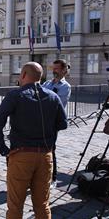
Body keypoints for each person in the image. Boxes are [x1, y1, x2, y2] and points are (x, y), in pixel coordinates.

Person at [0, 62, 67, 219]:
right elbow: (62, 124)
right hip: (45, 156)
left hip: (21, 155)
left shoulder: (15, 95)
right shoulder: (53, 96)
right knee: (42, 204)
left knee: (15, 205)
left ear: (23, 75)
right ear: (41, 77)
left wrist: (3, 149)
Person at [42, 59, 71, 188]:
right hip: (40, 119)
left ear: (64, 70)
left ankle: (52, 178)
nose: (54, 71)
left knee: (51, 149)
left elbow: (58, 103)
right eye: (53, 68)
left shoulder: (65, 86)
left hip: (52, 122)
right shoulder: (47, 83)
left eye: (57, 68)